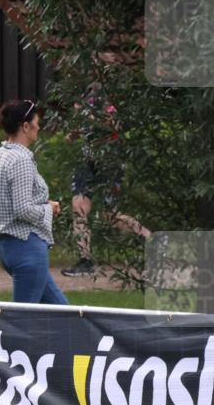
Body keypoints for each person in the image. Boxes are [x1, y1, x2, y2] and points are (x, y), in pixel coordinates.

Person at [61, 89, 151, 277]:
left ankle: (151, 239)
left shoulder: (106, 96)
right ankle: (85, 261)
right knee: (78, 207)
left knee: (111, 217)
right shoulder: (84, 96)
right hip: (88, 163)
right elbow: (79, 131)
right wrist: (73, 134)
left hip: (109, 162)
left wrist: (87, 115)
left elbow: (112, 124)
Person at [0, 99, 68, 305]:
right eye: (36, 122)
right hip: (27, 248)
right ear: (25, 126)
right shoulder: (21, 160)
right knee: (23, 321)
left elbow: (13, 197)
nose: (39, 127)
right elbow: (22, 209)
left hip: (8, 247)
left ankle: (80, 337)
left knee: (64, 312)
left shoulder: (1, 154)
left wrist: (42, 203)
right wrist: (48, 208)